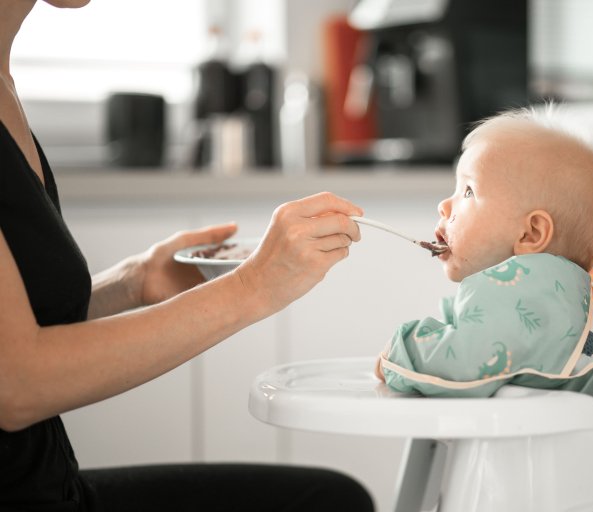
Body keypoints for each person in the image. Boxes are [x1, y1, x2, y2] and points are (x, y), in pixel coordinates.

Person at [0, 1, 374, 510]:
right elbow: (16, 383)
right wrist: (253, 287)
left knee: (329, 498)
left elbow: (24, 323)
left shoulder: (5, 85)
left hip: (54, 485)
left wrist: (133, 282)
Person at [376, 106, 593, 403]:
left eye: (468, 191)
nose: (444, 205)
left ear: (530, 234)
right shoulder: (551, 291)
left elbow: (462, 365)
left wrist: (400, 353)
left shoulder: (530, 293)